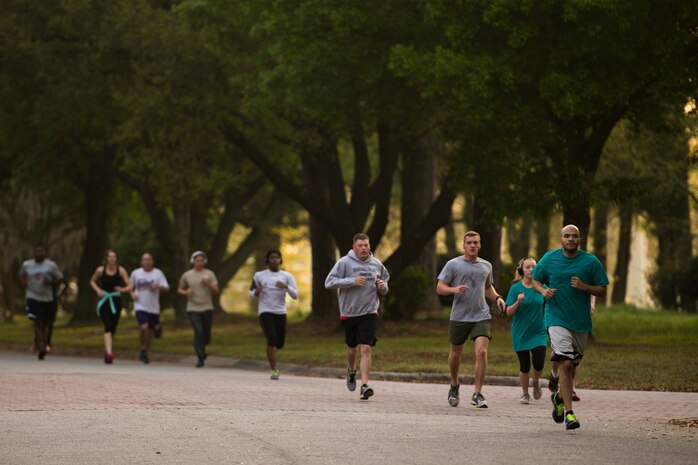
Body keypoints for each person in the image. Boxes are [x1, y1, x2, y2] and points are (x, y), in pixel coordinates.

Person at [532, 224, 608, 430]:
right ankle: (570, 414)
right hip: (555, 317)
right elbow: (535, 280)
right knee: (565, 363)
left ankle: (558, 397)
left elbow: (602, 289)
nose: (571, 239)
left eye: (574, 236)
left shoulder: (590, 262)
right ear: (561, 239)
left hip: (581, 322)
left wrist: (585, 287)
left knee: (573, 365)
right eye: (567, 236)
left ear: (580, 240)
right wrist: (543, 291)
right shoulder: (549, 258)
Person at [437, 231, 506, 409]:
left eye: (476, 242)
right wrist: (454, 290)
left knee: (481, 352)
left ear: (479, 245)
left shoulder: (486, 266)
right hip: (459, 316)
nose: (473, 245)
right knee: (456, 353)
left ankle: (477, 393)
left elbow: (488, 287)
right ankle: (454, 384)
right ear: (464, 245)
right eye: (469, 242)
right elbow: (440, 287)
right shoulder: (453, 264)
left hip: (481, 315)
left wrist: (497, 298)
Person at [325, 233, 389, 400]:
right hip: (349, 312)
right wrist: (351, 281)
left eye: (366, 245)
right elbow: (329, 282)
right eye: (360, 246)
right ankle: (351, 370)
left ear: (369, 246)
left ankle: (365, 385)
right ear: (354, 248)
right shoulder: (344, 263)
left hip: (369, 312)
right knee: (352, 349)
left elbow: (385, 285)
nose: (363, 248)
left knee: (366, 347)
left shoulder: (376, 264)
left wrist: (382, 286)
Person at [250, 249, 299, 380]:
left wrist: (286, 287)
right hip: (265, 311)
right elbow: (251, 293)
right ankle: (274, 370)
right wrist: (257, 291)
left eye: (277, 257)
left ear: (280, 260)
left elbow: (295, 295)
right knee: (271, 340)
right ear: (267, 260)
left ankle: (273, 357)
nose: (274, 260)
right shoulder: (259, 275)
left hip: (280, 311)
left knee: (279, 343)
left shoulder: (287, 276)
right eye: (272, 258)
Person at [505, 258, 547, 404]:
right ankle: (525, 393)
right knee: (524, 366)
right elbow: (508, 312)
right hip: (521, 332)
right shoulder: (515, 289)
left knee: (539, 362)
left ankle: (535, 381)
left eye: (533, 266)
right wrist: (517, 302)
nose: (530, 269)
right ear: (522, 270)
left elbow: (551, 302)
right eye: (527, 266)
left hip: (539, 331)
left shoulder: (541, 287)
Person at [19, 245, 67, 360]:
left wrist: (51, 283)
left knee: (47, 323)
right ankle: (41, 346)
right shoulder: (27, 265)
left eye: (41, 252)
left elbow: (61, 280)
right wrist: (25, 284)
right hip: (32, 297)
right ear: (34, 253)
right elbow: (21, 276)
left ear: (45, 253)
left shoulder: (51, 265)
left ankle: (43, 341)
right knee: (37, 321)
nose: (39, 254)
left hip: (47, 298)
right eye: (37, 251)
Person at [178, 251, 219, 368]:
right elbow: (179, 289)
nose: (199, 263)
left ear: (204, 262)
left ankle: (202, 349)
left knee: (206, 335)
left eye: (202, 260)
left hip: (207, 307)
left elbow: (216, 290)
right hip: (193, 308)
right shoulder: (187, 275)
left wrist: (208, 284)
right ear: (193, 261)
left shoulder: (210, 274)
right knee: (199, 331)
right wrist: (186, 292)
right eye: (197, 260)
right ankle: (200, 357)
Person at [90, 250, 131, 364]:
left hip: (116, 301)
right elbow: (92, 281)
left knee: (113, 327)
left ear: (116, 259)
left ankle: (108, 349)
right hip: (104, 301)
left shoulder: (121, 270)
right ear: (106, 258)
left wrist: (123, 289)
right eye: (110, 257)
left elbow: (130, 285)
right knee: (107, 325)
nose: (112, 259)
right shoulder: (100, 270)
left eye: (114, 257)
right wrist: (98, 290)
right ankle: (109, 353)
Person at [130, 253, 169, 364]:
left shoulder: (158, 273)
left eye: (149, 259)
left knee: (151, 331)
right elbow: (129, 286)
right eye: (145, 259)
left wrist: (158, 286)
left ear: (152, 261)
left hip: (154, 308)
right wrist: (132, 294)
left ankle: (145, 351)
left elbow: (166, 288)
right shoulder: (136, 273)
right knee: (144, 327)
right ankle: (142, 347)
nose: (147, 261)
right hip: (140, 305)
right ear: (141, 262)